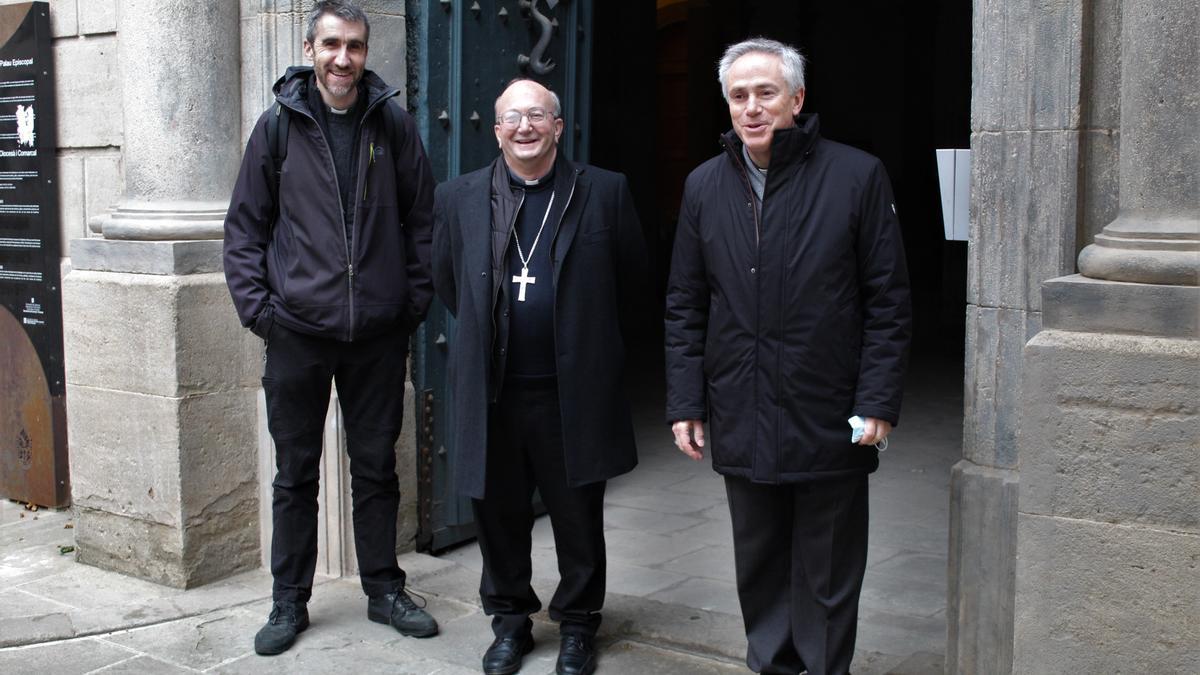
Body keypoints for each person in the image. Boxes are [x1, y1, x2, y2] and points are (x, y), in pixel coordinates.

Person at [665, 38, 912, 675]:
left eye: (766, 93)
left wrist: (878, 399)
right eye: (739, 96)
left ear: (797, 99)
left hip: (827, 410)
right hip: (741, 407)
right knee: (761, 566)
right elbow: (686, 304)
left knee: (828, 572)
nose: (752, 108)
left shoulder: (857, 175)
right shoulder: (703, 186)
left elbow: (887, 300)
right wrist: (687, 400)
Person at [223, 0, 438, 656]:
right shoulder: (278, 128)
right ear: (310, 48)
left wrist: (412, 300)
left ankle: (383, 587)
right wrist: (263, 312)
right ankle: (289, 600)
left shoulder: (392, 126)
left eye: (355, 46)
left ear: (365, 52)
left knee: (376, 467)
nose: (343, 58)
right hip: (298, 330)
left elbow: (423, 220)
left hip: (376, 331)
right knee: (296, 472)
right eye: (332, 45)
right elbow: (244, 229)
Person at [432, 78, 647, 675]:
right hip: (495, 391)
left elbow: (631, 284)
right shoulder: (458, 197)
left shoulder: (603, 192)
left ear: (558, 125)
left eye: (537, 115)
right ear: (496, 129)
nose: (524, 127)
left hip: (570, 393)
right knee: (496, 515)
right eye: (511, 117)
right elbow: (448, 281)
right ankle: (510, 624)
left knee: (578, 517)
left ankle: (578, 625)